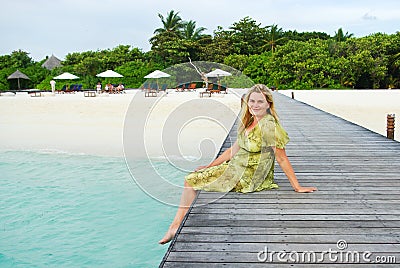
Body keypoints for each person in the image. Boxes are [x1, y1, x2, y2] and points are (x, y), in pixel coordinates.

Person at [159, 84, 317, 245]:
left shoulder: (269, 126)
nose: (255, 105)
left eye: (260, 102)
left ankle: (175, 226)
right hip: (237, 167)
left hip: (248, 176)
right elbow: (232, 151)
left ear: (268, 104)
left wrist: (297, 187)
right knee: (193, 178)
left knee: (190, 180)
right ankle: (176, 224)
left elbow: (281, 158)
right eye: (252, 101)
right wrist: (210, 166)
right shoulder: (250, 122)